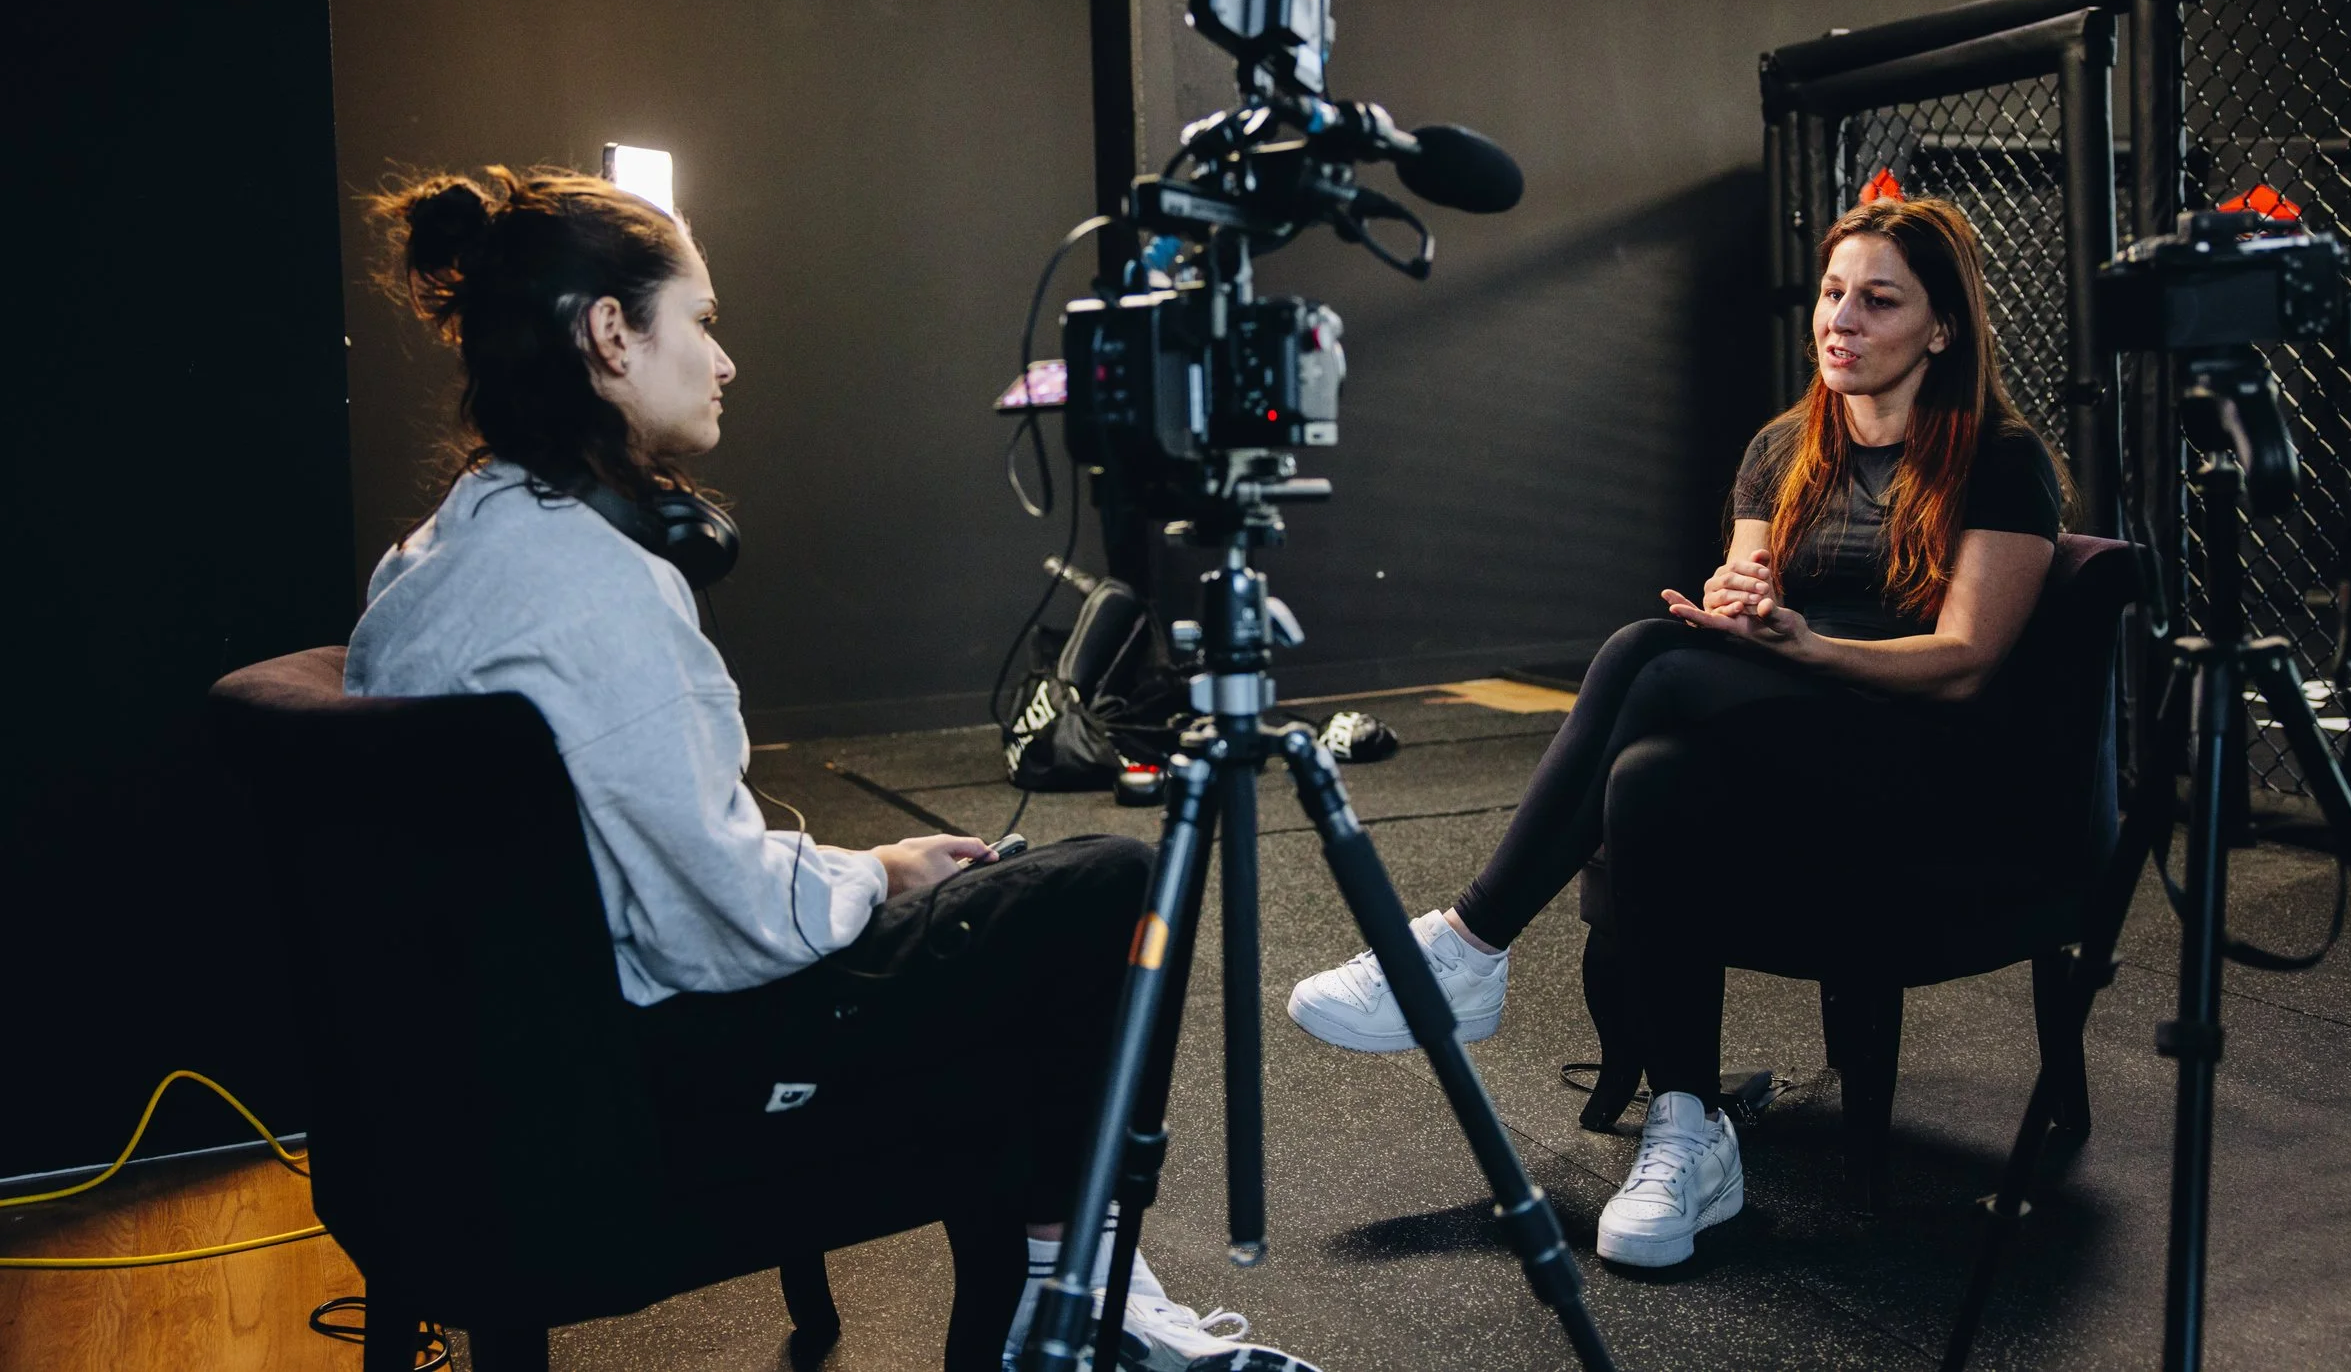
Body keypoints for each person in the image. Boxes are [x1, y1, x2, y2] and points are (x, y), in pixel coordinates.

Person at [345, 166, 1320, 1372]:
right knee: (1104, 885)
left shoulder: (427, 557)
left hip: (468, 1100)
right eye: (700, 320)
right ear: (609, 333)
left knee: (993, 904)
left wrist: (870, 870)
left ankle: (1058, 1285)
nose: (724, 360)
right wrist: (877, 874)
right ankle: (1067, 1295)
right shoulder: (598, 589)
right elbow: (721, 927)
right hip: (642, 1098)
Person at [1288, 196, 2068, 1269]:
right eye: (1832, 292)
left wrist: (1807, 648)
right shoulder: (1783, 448)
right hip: (1801, 734)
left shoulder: (2001, 458)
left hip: (1925, 764)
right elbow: (1750, 591)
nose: (1841, 319)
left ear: (1941, 328)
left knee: (1641, 654)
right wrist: (1741, 607)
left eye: (1879, 300)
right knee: (1650, 774)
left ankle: (1467, 944)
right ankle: (1688, 1126)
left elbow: (1967, 658)